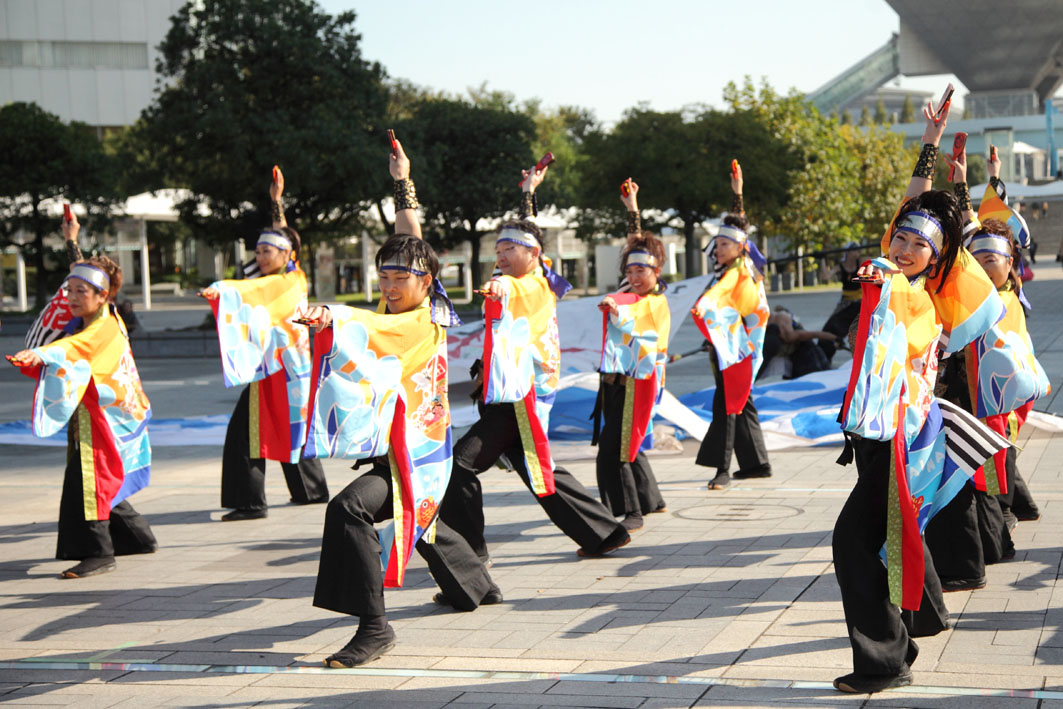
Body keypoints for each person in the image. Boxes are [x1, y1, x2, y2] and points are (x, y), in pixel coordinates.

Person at [833, 99, 1008, 694]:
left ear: (938, 259)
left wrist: (954, 197)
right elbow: (915, 208)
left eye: (917, 244)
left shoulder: (919, 301)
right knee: (890, 533)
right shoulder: (894, 277)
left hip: (902, 442)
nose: (904, 245)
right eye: (899, 236)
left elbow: (942, 237)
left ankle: (885, 661)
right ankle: (919, 620)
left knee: (854, 542)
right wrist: (929, 143)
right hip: (879, 437)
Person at [302, 139, 498, 668]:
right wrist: (401, 182)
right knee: (423, 521)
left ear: (427, 283)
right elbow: (410, 243)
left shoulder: (420, 318)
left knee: (350, 509)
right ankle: (476, 586)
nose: (388, 285)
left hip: (417, 454)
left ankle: (375, 627)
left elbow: (363, 325)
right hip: (409, 447)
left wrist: (329, 315)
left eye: (399, 277)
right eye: (382, 276)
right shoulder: (415, 306)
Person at [439, 162, 631, 561]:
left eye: (510, 250)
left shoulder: (530, 285)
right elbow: (520, 250)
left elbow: (508, 284)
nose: (502, 255)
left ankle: (468, 559)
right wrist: (528, 193)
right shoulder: (527, 274)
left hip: (519, 398)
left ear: (534, 255)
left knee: (460, 466)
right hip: (515, 392)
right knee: (536, 470)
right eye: (499, 250)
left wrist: (497, 284)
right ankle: (603, 533)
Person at [9, 209, 157, 578]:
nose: (71, 297)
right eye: (70, 290)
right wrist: (72, 241)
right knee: (98, 477)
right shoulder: (95, 314)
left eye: (81, 292)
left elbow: (71, 349)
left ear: (102, 295)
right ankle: (138, 538)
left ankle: (100, 551)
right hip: (101, 413)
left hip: (110, 418)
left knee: (93, 478)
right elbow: (84, 278)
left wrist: (38, 354)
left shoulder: (101, 328)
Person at [200, 168, 328, 521]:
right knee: (282, 428)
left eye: (267, 251)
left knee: (252, 431)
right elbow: (264, 273)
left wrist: (224, 290)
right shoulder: (277, 277)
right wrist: (275, 203)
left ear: (286, 254)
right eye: (257, 250)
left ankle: (250, 501)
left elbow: (251, 290)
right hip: (275, 368)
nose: (260, 256)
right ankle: (310, 491)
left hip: (284, 369)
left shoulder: (289, 280)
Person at [592, 179, 669, 532]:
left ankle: (631, 511)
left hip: (638, 384)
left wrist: (614, 306)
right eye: (630, 270)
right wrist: (633, 210)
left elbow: (633, 314)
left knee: (617, 448)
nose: (635, 275)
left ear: (657, 272)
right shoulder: (631, 290)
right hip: (617, 383)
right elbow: (634, 250)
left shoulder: (656, 302)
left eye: (642, 270)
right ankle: (651, 499)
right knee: (627, 442)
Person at [692, 161, 771, 490]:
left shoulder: (740, 270)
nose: (717, 248)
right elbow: (739, 229)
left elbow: (718, 297)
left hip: (739, 349)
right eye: (717, 244)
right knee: (741, 401)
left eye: (724, 244)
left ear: (740, 248)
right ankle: (756, 464)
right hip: (734, 346)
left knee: (726, 404)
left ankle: (722, 469)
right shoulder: (734, 267)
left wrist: (703, 306)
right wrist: (737, 195)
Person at [817, 243, 862, 363]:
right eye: (855, 251)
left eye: (858, 251)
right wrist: (822, 259)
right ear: (847, 252)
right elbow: (826, 276)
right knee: (830, 327)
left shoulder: (862, 262)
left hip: (861, 303)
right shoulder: (840, 266)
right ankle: (824, 358)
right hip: (846, 302)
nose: (857, 253)